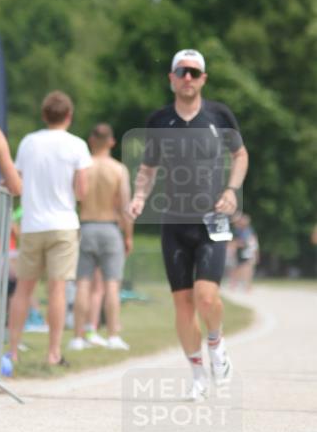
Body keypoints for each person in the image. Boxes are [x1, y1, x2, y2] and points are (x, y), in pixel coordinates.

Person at [129, 48, 249, 400]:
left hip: (212, 220)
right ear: (171, 78)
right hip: (174, 222)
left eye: (194, 73)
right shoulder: (159, 120)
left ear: (203, 79)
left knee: (206, 296)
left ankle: (216, 343)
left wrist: (231, 190)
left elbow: (240, 155)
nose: (187, 78)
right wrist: (139, 197)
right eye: (181, 72)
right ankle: (197, 373)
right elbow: (148, 169)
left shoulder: (219, 115)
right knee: (182, 304)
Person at [7, 91, 91, 366]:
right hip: (63, 224)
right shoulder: (77, 145)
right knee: (56, 289)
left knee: (23, 289)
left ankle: (14, 351)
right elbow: (81, 191)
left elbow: (17, 181)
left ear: (44, 115)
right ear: (69, 116)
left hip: (32, 223)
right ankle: (53, 353)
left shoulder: (29, 143)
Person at [70, 123, 133, 352]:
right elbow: (126, 206)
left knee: (83, 285)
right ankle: (114, 335)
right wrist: (128, 236)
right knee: (112, 285)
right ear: (111, 142)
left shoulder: (83, 169)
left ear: (91, 140)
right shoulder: (118, 169)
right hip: (110, 228)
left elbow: (76, 197)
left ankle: (78, 337)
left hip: (85, 226)